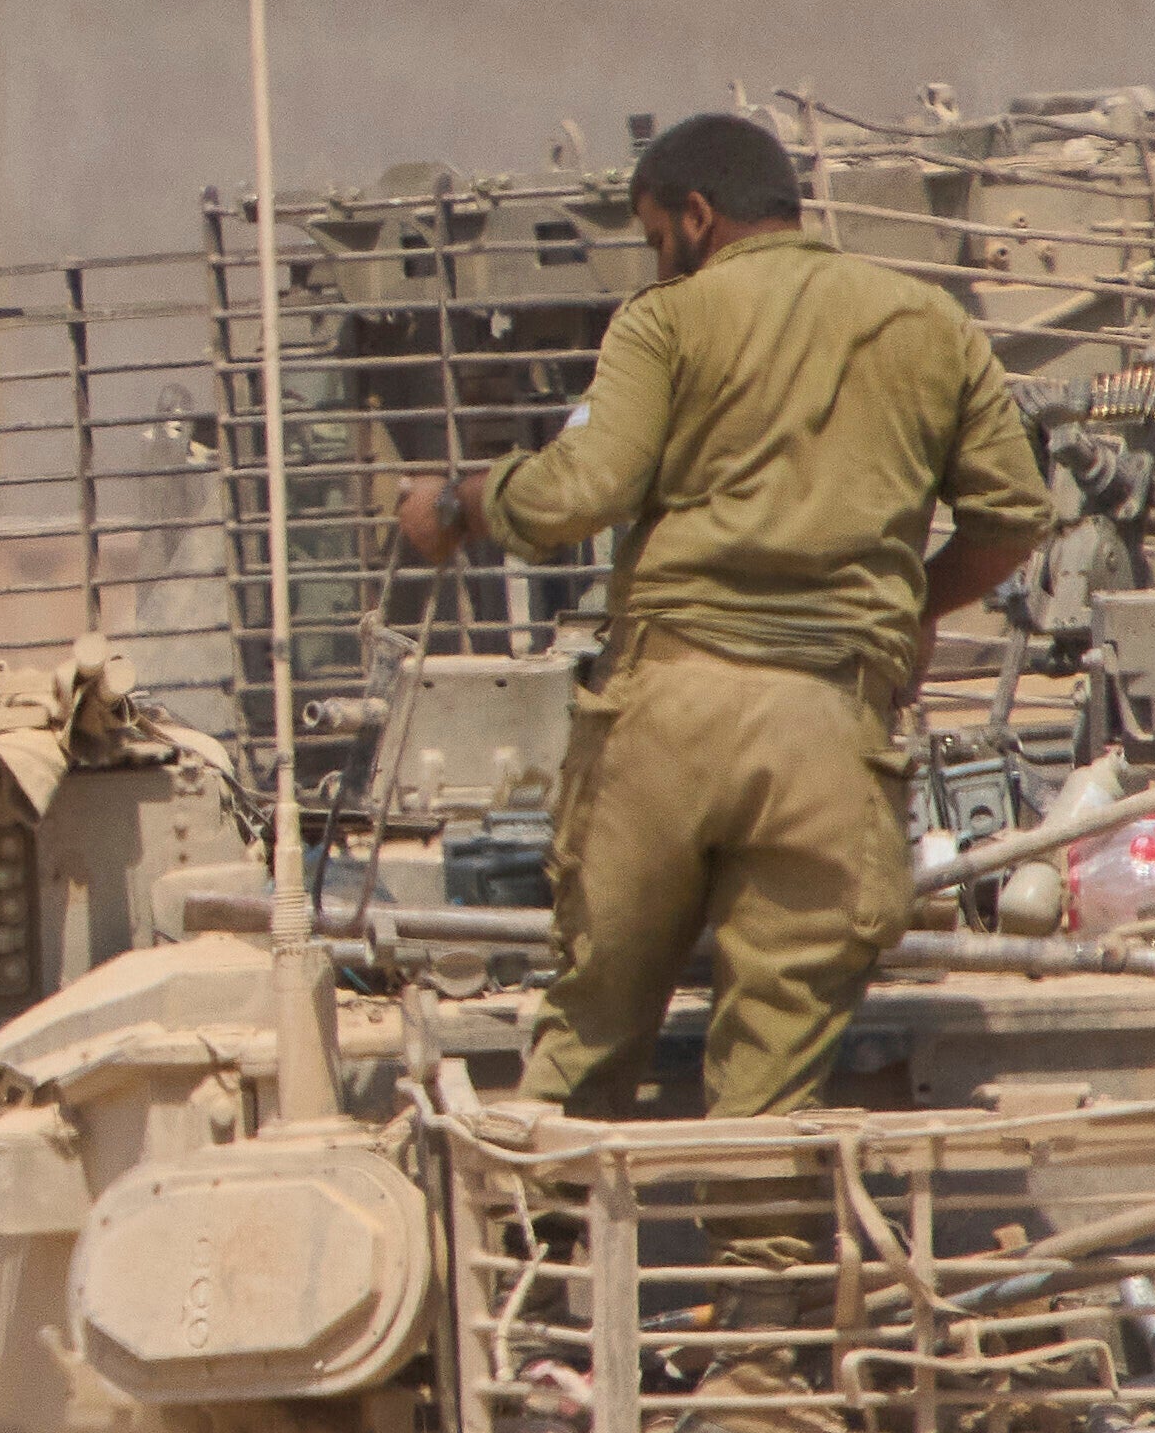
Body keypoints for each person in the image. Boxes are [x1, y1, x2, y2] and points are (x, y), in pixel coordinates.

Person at [378, 107, 1048, 1121]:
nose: (656, 266)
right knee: (769, 1097)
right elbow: (1011, 522)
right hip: (832, 733)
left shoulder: (669, 322)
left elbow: (579, 491)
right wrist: (911, 604)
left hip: (670, 721)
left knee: (586, 1049)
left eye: (656, 241)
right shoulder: (931, 326)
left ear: (698, 215)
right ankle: (764, 1278)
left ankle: (543, 1261)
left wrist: (458, 505)